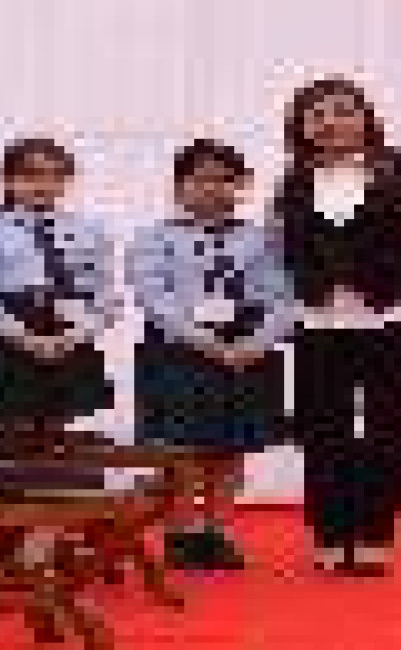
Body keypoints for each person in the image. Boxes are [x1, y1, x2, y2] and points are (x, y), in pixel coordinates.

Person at [272, 77, 401, 575]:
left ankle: (375, 535)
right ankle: (331, 534)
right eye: (317, 114)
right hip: (316, 324)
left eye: (343, 111)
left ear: (366, 120)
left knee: (386, 429)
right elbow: (277, 258)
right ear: (301, 126)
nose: (330, 122)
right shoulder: (289, 184)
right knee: (320, 430)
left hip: (393, 317)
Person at [128, 139, 295, 570]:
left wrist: (255, 344)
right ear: (179, 186)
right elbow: (154, 300)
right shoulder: (155, 238)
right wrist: (206, 343)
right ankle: (182, 530)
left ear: (240, 185)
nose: (212, 188)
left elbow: (283, 297)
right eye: (200, 179)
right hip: (178, 350)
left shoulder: (263, 240)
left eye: (224, 179)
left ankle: (218, 530)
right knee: (181, 446)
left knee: (232, 446)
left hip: (248, 350)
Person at [0, 136, 118, 563]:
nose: (42, 184)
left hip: (70, 337)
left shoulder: (89, 230)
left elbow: (106, 294)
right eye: (30, 175)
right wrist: (25, 337)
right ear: (6, 179)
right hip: (10, 339)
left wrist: (76, 334)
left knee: (56, 436)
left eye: (54, 175)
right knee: (12, 438)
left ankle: (48, 533)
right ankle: (7, 530)